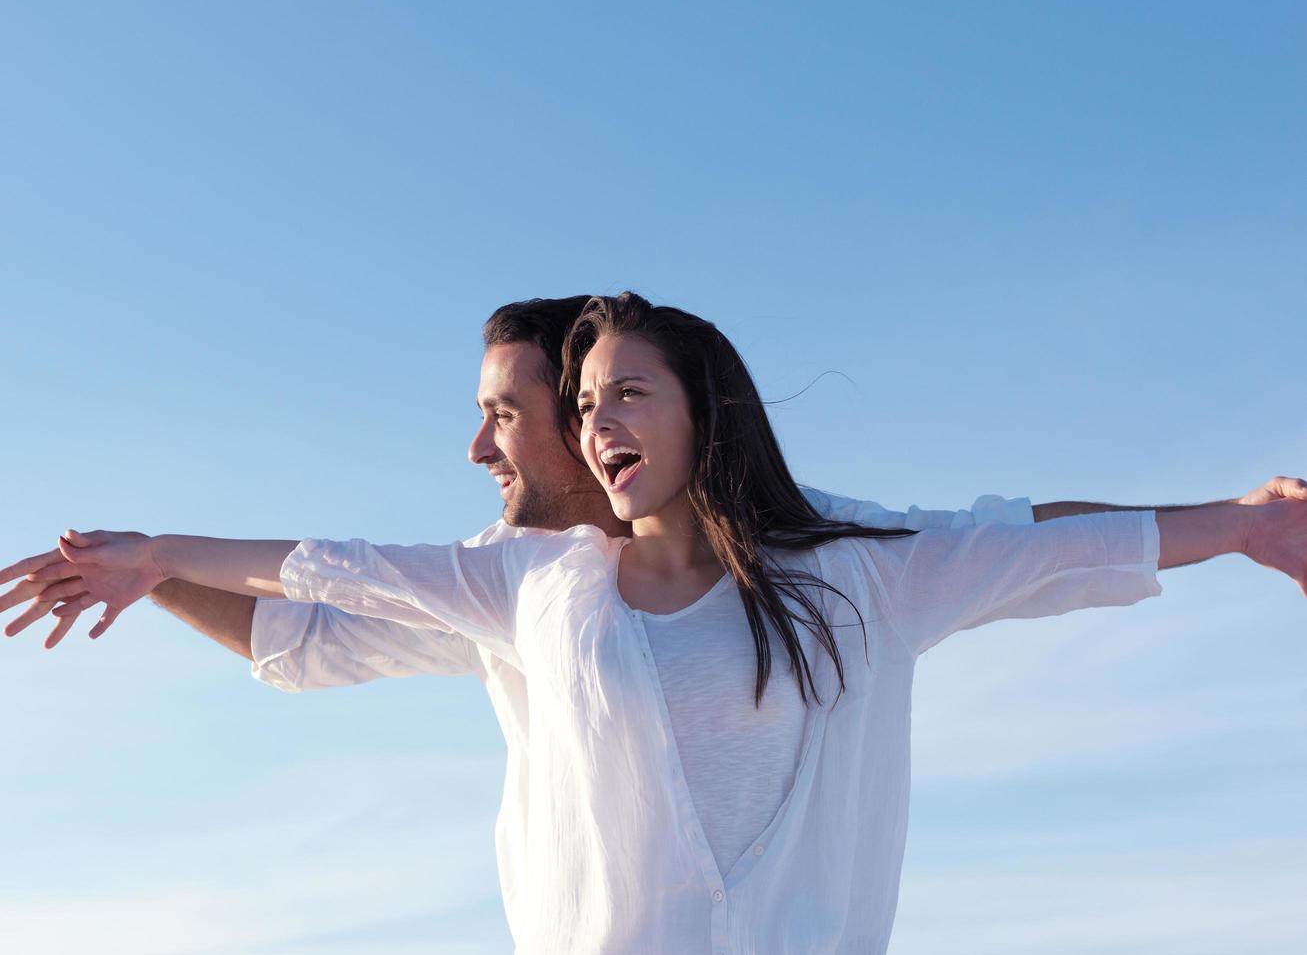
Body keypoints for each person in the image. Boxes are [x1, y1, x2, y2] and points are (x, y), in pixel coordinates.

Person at [5, 293, 1304, 955]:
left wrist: (1237, 519)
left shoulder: (832, 554)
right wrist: (148, 559)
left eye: (522, 413)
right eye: (567, 402)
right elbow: (312, 614)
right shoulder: (522, 586)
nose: (494, 445)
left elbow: (1021, 540)